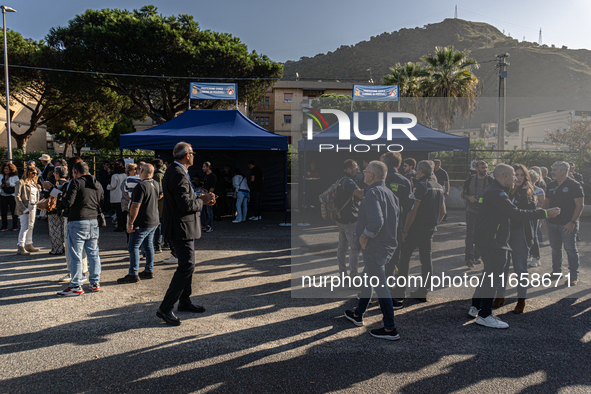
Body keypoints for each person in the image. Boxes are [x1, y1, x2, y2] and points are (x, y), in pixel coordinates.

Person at [469, 164, 560, 329]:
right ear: (504, 176)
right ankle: (485, 315)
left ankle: (476, 306)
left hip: (492, 239)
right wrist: (545, 213)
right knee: (492, 277)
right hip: (494, 241)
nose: (516, 179)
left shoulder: (496, 190)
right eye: (513, 175)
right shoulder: (497, 192)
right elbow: (515, 213)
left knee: (489, 274)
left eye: (519, 175)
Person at [157, 142, 213, 326]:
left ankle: (185, 301)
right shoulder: (178, 173)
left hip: (179, 226)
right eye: (193, 153)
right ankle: (166, 308)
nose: (194, 156)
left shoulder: (176, 171)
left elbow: (184, 199)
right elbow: (186, 205)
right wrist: (202, 201)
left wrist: (199, 198)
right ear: (188, 155)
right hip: (180, 227)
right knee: (187, 266)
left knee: (187, 264)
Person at [343, 161, 401, 341]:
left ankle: (390, 328)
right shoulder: (390, 194)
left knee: (381, 286)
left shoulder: (371, 193)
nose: (362, 173)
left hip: (375, 247)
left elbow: (376, 221)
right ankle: (358, 314)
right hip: (386, 246)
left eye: (365, 171)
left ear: (372, 176)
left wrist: (364, 237)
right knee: (368, 279)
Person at [393, 160, 445, 304]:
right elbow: (443, 212)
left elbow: (413, 211)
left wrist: (405, 230)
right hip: (429, 231)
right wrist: (434, 224)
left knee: (404, 259)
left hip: (415, 230)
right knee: (426, 260)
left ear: (420, 172)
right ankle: (423, 291)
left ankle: (399, 291)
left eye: (417, 171)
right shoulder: (439, 187)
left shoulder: (421, 186)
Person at [495, 165, 538, 314]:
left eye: (522, 175)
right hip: (503, 232)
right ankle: (500, 295)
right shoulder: (504, 190)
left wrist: (525, 194)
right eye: (516, 174)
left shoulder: (528, 193)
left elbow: (530, 210)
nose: (518, 177)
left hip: (520, 232)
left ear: (526, 178)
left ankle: (521, 300)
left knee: (520, 268)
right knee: (502, 266)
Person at [56, 161, 104, 296]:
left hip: (77, 220)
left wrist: (61, 196)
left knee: (75, 254)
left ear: (75, 171)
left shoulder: (76, 182)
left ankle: (76, 284)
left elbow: (68, 202)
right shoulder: (97, 184)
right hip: (93, 220)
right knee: (93, 253)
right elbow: (102, 201)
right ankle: (95, 282)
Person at [118, 164, 161, 283]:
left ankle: (133, 273)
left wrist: (130, 222)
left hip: (142, 222)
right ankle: (148, 270)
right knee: (148, 246)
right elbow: (161, 195)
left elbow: (135, 206)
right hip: (154, 220)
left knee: (133, 246)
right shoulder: (155, 184)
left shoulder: (141, 186)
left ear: (141, 170)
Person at [542, 161, 584, 285]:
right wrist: (544, 217)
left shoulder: (574, 185)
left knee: (570, 249)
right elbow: (546, 202)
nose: (552, 172)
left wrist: (572, 222)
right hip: (552, 223)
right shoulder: (550, 185)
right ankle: (556, 272)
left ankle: (573, 275)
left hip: (567, 225)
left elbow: (579, 206)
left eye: (555, 170)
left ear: (563, 171)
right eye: (552, 169)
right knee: (555, 249)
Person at [380, 152, 414, 303]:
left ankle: (373, 292)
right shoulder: (404, 181)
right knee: (394, 260)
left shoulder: (376, 179)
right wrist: (405, 230)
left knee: (375, 260)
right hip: (396, 228)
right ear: (399, 165)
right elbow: (409, 207)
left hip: (377, 227)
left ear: (384, 163)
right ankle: (389, 292)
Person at [334, 159, 364, 277]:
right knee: (354, 248)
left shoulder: (339, 180)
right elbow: (360, 195)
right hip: (350, 220)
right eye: (356, 167)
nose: (357, 170)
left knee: (342, 246)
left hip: (340, 219)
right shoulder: (349, 182)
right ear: (349, 169)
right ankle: (353, 275)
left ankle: (342, 273)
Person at [461, 161, 493, 268]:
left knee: (482, 234)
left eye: (486, 168)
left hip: (485, 212)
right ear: (477, 169)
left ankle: (477, 255)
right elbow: (463, 194)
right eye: (482, 167)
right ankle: (469, 258)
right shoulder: (470, 180)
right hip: (471, 210)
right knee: (470, 234)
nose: (485, 170)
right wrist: (469, 198)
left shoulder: (491, 180)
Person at [15, 166, 42, 255]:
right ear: (27, 172)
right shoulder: (20, 182)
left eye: (36, 173)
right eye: (33, 173)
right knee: (24, 227)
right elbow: (17, 196)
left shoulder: (34, 183)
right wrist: (23, 208)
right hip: (25, 206)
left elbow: (34, 195)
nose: (35, 175)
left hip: (33, 205)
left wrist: (39, 189)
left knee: (31, 226)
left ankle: (29, 244)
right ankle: (20, 245)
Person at [46, 166, 68, 255]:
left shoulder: (55, 184)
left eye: (55, 173)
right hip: (64, 210)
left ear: (57, 174)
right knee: (63, 229)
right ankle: (64, 247)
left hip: (54, 209)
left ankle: (56, 249)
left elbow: (50, 195)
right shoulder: (68, 183)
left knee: (55, 230)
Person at [528, 170, 545, 267]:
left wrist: (531, 203)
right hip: (526, 214)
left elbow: (542, 204)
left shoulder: (539, 190)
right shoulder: (524, 189)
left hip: (535, 215)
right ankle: (530, 254)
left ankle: (536, 257)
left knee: (534, 236)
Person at [107, 160, 127, 232]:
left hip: (116, 196)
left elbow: (112, 186)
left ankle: (120, 226)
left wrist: (107, 186)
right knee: (123, 212)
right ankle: (124, 225)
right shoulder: (125, 175)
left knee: (118, 213)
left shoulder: (114, 176)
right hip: (123, 195)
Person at [151, 159, 166, 253]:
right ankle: (165, 243)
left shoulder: (157, 176)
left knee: (158, 224)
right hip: (164, 203)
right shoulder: (165, 173)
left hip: (159, 203)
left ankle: (157, 245)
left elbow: (158, 191)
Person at [0, 162, 20, 231]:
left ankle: (15, 226)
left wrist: (10, 183)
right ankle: (4, 226)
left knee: (13, 211)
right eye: (5, 168)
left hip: (12, 195)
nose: (6, 170)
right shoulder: (1, 176)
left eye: (7, 169)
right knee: (3, 211)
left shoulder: (15, 176)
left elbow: (17, 185)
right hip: (3, 195)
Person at [202, 161, 216, 232]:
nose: (203, 168)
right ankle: (204, 225)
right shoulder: (205, 176)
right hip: (204, 195)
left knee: (209, 211)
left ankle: (210, 226)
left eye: (204, 167)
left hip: (209, 196)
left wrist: (208, 195)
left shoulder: (212, 176)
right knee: (203, 211)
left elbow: (212, 187)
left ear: (208, 167)